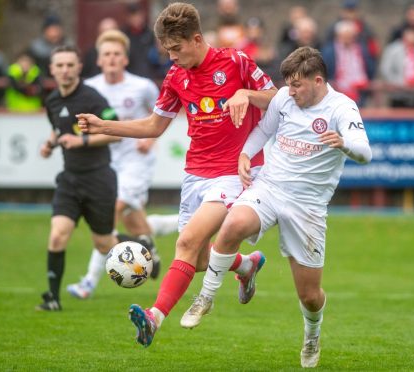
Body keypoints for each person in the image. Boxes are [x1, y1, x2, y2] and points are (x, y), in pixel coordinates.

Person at [77, 2, 277, 347]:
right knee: (198, 258)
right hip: (195, 174)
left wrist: (246, 92)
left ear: (197, 39)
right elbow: (154, 126)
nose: (171, 57)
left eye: (176, 49)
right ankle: (245, 266)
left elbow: (277, 98)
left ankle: (154, 318)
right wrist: (102, 125)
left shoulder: (235, 62)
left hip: (235, 172)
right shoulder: (176, 77)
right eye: (166, 50)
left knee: (185, 244)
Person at [182, 46, 372, 368]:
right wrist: (245, 154)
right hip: (269, 187)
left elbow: (365, 152)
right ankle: (205, 298)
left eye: (297, 85)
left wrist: (344, 144)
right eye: (288, 83)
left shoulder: (342, 107)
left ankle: (312, 334)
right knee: (232, 226)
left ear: (318, 80)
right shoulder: (284, 98)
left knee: (310, 296)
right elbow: (264, 130)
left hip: (307, 207)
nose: (290, 91)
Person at [67, 30, 163, 299]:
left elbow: (161, 115)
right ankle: (147, 246)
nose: (111, 58)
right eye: (106, 54)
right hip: (106, 161)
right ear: (98, 60)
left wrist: (151, 141)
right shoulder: (91, 87)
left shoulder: (142, 86)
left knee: (111, 210)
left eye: (116, 54)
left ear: (125, 59)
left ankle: (88, 282)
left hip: (136, 160)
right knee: (134, 219)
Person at [35, 45, 120, 311]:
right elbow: (57, 128)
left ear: (79, 67)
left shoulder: (92, 98)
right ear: (52, 69)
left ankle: (142, 247)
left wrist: (81, 140)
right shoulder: (52, 101)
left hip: (98, 179)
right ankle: (53, 298)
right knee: (58, 235)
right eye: (59, 65)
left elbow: (115, 132)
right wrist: (49, 144)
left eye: (70, 65)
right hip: (70, 180)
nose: (65, 70)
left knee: (104, 243)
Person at [28, 13, 70, 78]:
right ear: (45, 31)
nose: (54, 34)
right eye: (51, 30)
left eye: (56, 30)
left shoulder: (69, 46)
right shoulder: (36, 48)